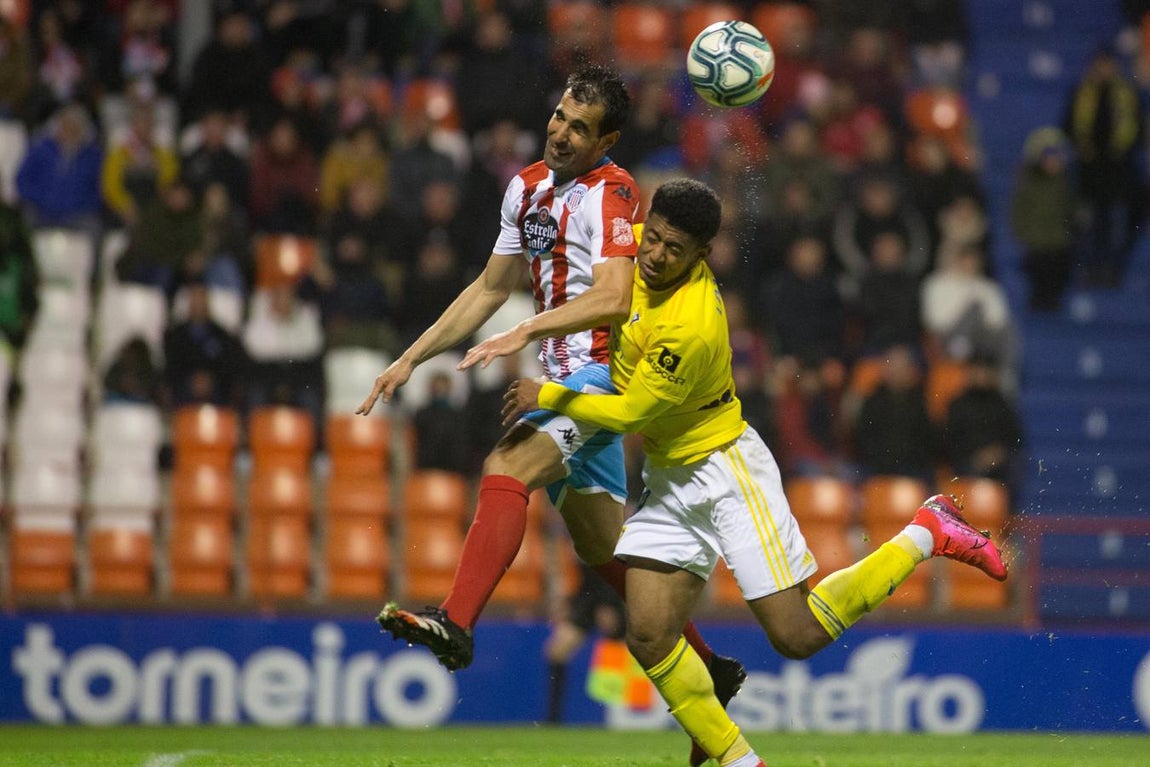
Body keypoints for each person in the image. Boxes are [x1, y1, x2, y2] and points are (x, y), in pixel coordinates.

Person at [503, 179, 1007, 767]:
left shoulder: (690, 322)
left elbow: (630, 413)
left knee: (795, 636)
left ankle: (927, 531)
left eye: (676, 249)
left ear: (701, 255)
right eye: (655, 239)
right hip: (670, 476)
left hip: (724, 467)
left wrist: (552, 394)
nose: (658, 255)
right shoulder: (631, 252)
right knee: (646, 632)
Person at [358, 67, 742, 764]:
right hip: (562, 378)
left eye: (579, 127)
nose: (561, 132)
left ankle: (457, 622)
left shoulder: (616, 193)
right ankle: (710, 667)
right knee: (604, 553)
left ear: (608, 139)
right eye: (560, 117)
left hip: (599, 375)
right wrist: (412, 357)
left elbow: (614, 296)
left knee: (506, 463)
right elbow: (489, 287)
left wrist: (525, 334)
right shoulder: (526, 186)